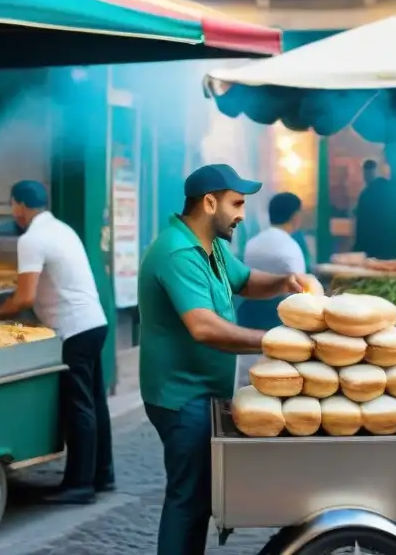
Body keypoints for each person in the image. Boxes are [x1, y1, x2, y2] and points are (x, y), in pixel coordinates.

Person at [138, 163, 310, 555]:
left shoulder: (211, 245)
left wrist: (284, 282)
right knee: (188, 499)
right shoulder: (177, 253)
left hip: (203, 391)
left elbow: (246, 280)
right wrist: (276, 341)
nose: (242, 214)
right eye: (236, 203)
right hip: (181, 396)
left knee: (197, 497)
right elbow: (204, 328)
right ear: (209, 202)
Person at [0, 180, 113, 505]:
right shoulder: (62, 229)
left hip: (73, 330)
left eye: (13, 206)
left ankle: (80, 486)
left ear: (18, 205)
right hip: (95, 322)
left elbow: (24, 297)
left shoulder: (32, 239)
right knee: (95, 402)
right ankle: (102, 474)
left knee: (79, 406)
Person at [235, 192, 309, 386]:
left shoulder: (253, 243)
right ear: (295, 216)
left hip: (248, 315)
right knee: (274, 381)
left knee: (247, 379)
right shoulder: (291, 247)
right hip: (277, 320)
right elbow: (299, 290)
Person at [352, 159, 396, 258]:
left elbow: (364, 222)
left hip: (375, 243)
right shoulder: (385, 189)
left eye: (367, 173)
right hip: (384, 243)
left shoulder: (369, 193)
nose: (366, 176)